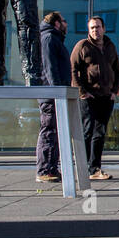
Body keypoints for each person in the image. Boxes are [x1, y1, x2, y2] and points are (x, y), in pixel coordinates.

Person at [71, 15, 119, 180]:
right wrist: (82, 92)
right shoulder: (82, 46)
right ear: (89, 30)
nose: (95, 30)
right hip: (89, 97)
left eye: (98, 27)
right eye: (92, 27)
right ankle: (83, 167)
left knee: (99, 133)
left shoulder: (110, 46)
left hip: (106, 97)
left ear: (104, 28)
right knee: (87, 131)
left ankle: (95, 168)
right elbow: (73, 70)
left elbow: (117, 69)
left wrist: (114, 91)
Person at [34, 11, 70, 183]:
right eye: (64, 21)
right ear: (57, 23)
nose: (66, 24)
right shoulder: (48, 38)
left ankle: (51, 168)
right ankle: (45, 170)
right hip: (50, 95)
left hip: (53, 93)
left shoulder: (52, 38)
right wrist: (57, 91)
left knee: (54, 131)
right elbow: (50, 68)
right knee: (49, 130)